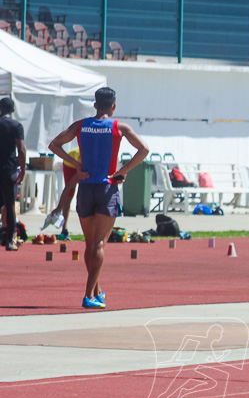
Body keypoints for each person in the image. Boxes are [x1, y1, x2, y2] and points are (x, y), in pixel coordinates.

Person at [49, 87, 149, 309]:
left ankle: (96, 290)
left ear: (95, 105)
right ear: (113, 106)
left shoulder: (81, 125)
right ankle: (88, 295)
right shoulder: (119, 127)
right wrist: (123, 171)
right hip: (106, 188)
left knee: (90, 244)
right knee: (99, 244)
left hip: (85, 187)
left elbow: (53, 145)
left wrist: (76, 164)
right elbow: (143, 150)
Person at [0, 97, 25, 252]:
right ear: (13, 110)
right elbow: (21, 148)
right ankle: (10, 241)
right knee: (10, 205)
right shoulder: (16, 126)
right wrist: (22, 169)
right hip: (8, 168)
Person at [41, 145, 80, 240]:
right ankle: (64, 230)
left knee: (86, 193)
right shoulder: (83, 160)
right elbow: (68, 187)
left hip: (81, 162)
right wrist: (59, 207)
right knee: (70, 193)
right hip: (70, 162)